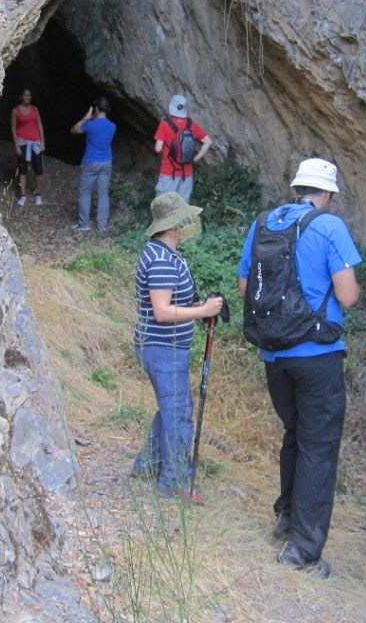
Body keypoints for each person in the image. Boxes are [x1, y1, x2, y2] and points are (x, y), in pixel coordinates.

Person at [237, 157, 363, 579]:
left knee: (296, 434)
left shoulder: (262, 223)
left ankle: (287, 519)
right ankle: (304, 550)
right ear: (325, 194)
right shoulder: (328, 226)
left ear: (295, 188)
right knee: (319, 446)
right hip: (317, 355)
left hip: (275, 355)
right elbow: (346, 297)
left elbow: (244, 285)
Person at [133, 191, 224, 504]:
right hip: (163, 349)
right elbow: (161, 311)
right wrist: (203, 312)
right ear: (171, 226)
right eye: (183, 219)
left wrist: (198, 305)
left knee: (171, 409)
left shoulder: (162, 253)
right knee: (179, 415)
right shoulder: (160, 260)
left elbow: (172, 303)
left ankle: (146, 466)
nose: (188, 224)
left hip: (162, 347)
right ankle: (173, 481)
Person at [153, 94, 212, 204]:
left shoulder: (165, 125)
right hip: (187, 174)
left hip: (169, 173)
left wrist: (166, 151)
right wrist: (196, 158)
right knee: (183, 210)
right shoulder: (191, 124)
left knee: (164, 208)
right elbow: (208, 142)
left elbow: (158, 148)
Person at [71, 96, 117, 232]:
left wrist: (87, 117)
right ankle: (102, 226)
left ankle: (83, 224)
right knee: (103, 193)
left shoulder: (90, 124)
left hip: (90, 162)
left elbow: (74, 130)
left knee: (85, 193)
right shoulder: (112, 126)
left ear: (96, 109)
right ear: (108, 109)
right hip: (106, 162)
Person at [10, 87, 45, 206]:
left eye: (29, 96)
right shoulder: (15, 111)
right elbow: (13, 128)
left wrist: (42, 141)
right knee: (23, 169)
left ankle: (38, 194)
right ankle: (23, 196)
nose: (28, 97)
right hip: (22, 143)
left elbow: (39, 124)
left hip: (35, 142)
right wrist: (16, 145)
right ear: (21, 96)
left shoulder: (35, 109)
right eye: (25, 95)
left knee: (38, 169)